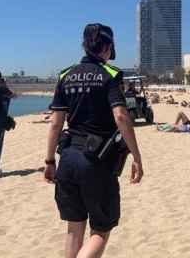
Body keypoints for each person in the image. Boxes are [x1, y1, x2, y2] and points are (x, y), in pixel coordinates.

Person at [44, 23, 143, 258]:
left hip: (67, 157)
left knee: (73, 230)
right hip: (97, 161)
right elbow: (120, 116)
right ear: (107, 47)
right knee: (101, 230)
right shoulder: (109, 75)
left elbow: (56, 123)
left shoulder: (65, 75)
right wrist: (136, 156)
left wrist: (49, 160)